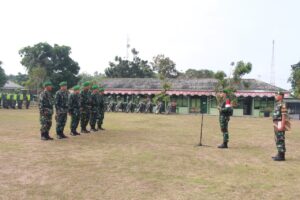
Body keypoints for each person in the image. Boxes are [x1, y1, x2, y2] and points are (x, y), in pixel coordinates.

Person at [272, 91, 289, 161]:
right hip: (276, 123)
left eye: (276, 95)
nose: (275, 96)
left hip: (280, 123)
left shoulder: (283, 104)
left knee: (280, 138)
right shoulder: (277, 104)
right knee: (277, 138)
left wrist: (282, 125)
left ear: (281, 96)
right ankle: (279, 153)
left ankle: (282, 156)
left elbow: (284, 115)